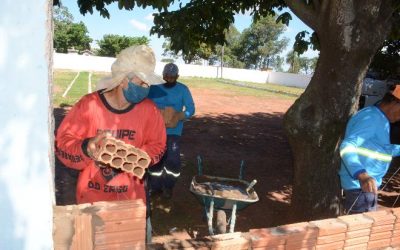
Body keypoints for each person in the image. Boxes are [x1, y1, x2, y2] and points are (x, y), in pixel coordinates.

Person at [55, 45, 166, 205]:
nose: (146, 88)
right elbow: (62, 144)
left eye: (148, 84)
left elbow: (158, 144)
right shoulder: (89, 105)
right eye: (141, 83)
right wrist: (87, 148)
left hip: (132, 200)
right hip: (91, 199)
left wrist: (134, 158)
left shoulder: (149, 110)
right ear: (123, 80)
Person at [339, 85, 400, 214]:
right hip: (361, 188)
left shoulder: (379, 118)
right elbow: (347, 145)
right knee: (360, 232)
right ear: (395, 102)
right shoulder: (372, 118)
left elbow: (380, 149)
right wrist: (362, 175)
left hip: (365, 189)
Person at [147, 63, 195, 198]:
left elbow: (191, 109)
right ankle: (155, 186)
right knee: (155, 159)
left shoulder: (183, 90)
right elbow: (145, 104)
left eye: (172, 77)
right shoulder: (154, 89)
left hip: (173, 132)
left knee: (173, 160)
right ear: (163, 75)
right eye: (167, 76)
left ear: (177, 76)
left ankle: (169, 185)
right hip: (155, 131)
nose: (169, 79)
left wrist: (180, 116)